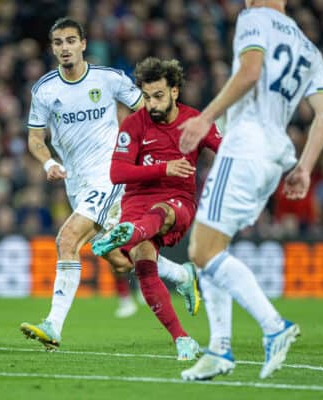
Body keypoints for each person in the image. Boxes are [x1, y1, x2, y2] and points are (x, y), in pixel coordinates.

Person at [20, 18, 200, 354]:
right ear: (52, 48)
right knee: (120, 260)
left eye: (71, 41)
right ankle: (179, 274)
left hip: (110, 176)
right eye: (58, 43)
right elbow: (35, 138)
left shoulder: (109, 79)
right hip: (76, 182)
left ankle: (53, 326)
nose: (65, 48)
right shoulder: (44, 90)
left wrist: (149, 156)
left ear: (83, 43)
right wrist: (49, 163)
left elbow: (150, 111)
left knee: (67, 239)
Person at [178, 0, 323, 380]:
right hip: (273, 154)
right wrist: (306, 168)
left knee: (201, 250)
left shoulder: (254, 18)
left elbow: (250, 72)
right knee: (215, 249)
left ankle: (273, 325)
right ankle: (219, 350)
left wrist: (205, 118)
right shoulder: (307, 47)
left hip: (245, 145)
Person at [92, 57, 221, 359]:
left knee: (161, 213)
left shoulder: (195, 122)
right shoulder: (134, 124)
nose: (151, 104)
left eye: (158, 96)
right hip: (136, 203)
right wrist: (164, 168)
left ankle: (130, 233)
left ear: (175, 91)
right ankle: (182, 340)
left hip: (178, 202)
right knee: (138, 264)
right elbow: (118, 173)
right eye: (147, 97)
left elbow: (227, 151)